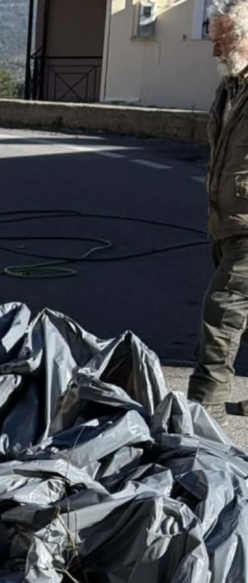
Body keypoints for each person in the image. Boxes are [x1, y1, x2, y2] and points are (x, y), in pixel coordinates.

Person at [187, 0, 248, 427]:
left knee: (222, 311)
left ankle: (203, 413)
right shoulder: (229, 87)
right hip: (224, 223)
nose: (214, 52)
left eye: (221, 42)